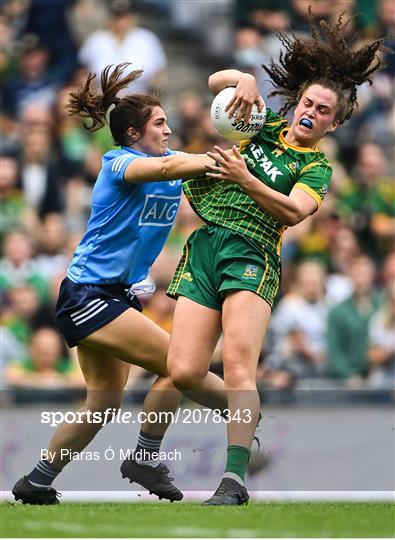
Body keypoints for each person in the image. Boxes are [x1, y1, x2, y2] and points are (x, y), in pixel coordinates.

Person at [166, 10, 386, 505]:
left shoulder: (316, 165)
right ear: (297, 101)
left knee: (241, 368)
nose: (312, 111)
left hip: (254, 254)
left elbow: (296, 210)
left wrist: (246, 178)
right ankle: (248, 412)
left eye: (324, 110)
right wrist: (243, 78)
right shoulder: (261, 123)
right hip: (205, 246)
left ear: (336, 120)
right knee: (182, 371)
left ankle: (235, 479)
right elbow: (214, 80)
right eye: (309, 102)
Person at [12, 63, 228, 505]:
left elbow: (185, 172)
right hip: (88, 294)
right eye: (160, 123)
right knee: (179, 365)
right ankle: (149, 456)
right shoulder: (120, 162)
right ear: (133, 133)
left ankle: (35, 481)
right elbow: (167, 169)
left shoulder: (171, 165)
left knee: (105, 402)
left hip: (117, 296)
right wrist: (212, 158)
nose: (169, 130)